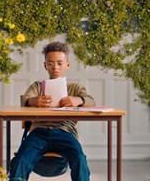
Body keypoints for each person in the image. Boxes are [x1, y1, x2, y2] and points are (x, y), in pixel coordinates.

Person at [9, 41, 95, 181]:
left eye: (60, 63)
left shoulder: (74, 88)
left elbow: (90, 100)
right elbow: (25, 99)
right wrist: (33, 101)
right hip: (39, 132)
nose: (55, 67)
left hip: (65, 133)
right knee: (21, 159)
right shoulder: (38, 86)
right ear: (45, 66)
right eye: (51, 63)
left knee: (79, 158)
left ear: (67, 65)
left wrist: (78, 100)